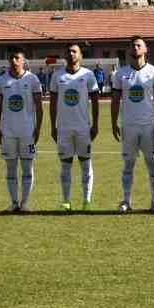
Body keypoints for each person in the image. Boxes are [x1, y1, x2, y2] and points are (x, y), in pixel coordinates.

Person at [111, 35, 154, 213]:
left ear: (145, 49)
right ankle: (126, 201)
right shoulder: (120, 74)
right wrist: (114, 123)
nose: (135, 48)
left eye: (139, 45)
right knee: (128, 164)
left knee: (152, 162)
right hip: (129, 127)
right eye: (133, 45)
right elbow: (115, 100)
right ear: (129, 50)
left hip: (149, 126)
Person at [50, 42, 99, 210]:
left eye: (74, 51)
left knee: (85, 163)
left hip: (83, 128)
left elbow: (95, 101)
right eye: (68, 51)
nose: (71, 54)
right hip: (64, 128)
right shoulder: (57, 76)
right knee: (65, 165)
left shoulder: (88, 75)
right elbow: (53, 103)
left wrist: (95, 124)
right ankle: (66, 201)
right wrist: (52, 126)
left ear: (80, 55)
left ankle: (86, 201)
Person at [0, 48, 44, 212]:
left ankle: (25, 203)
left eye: (17, 58)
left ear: (23, 60)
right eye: (11, 58)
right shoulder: (2, 81)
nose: (14, 61)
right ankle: (14, 202)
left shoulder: (33, 79)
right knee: (10, 169)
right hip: (8, 132)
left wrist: (38, 128)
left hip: (27, 132)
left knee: (28, 168)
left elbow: (39, 107)